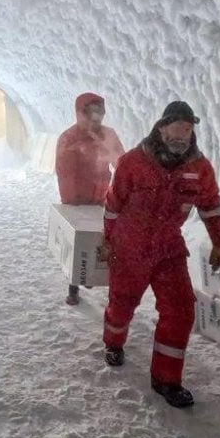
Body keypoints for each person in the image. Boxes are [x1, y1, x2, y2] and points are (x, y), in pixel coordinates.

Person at [99, 100, 220, 408]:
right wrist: (108, 240)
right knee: (122, 303)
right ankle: (113, 342)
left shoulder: (199, 168)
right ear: (161, 128)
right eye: (177, 127)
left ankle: (166, 380)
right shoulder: (133, 161)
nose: (182, 135)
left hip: (168, 248)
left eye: (188, 129)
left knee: (181, 309)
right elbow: (113, 203)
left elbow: (210, 205)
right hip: (129, 246)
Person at [55, 92, 125, 305]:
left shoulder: (108, 135)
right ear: (81, 113)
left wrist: (123, 189)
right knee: (77, 243)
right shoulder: (69, 138)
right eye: (92, 112)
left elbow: (121, 163)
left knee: (101, 239)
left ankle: (90, 275)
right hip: (77, 201)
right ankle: (74, 287)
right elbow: (65, 172)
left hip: (101, 198)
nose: (97, 117)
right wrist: (72, 201)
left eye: (99, 111)